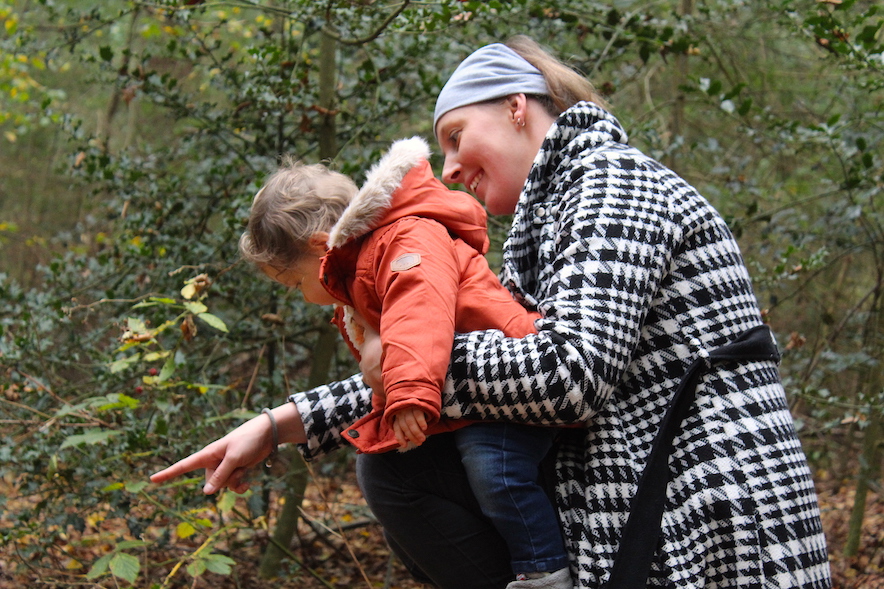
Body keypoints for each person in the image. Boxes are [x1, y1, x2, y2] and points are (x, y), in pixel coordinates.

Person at [152, 36, 833, 589]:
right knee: (397, 466)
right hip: (638, 488)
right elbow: (456, 358)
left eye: (454, 135)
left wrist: (401, 368)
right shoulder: (555, 212)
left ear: (515, 106)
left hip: (713, 510)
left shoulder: (615, 183)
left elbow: (570, 372)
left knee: (401, 468)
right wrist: (279, 426)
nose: (447, 168)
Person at [198, 135, 570, 587]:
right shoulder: (360, 275)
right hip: (469, 399)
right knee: (394, 477)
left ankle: (544, 570)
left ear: (320, 247)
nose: (302, 296)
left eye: (295, 284)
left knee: (496, 471)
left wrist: (411, 392)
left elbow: (421, 314)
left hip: (513, 388)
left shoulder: (406, 238)